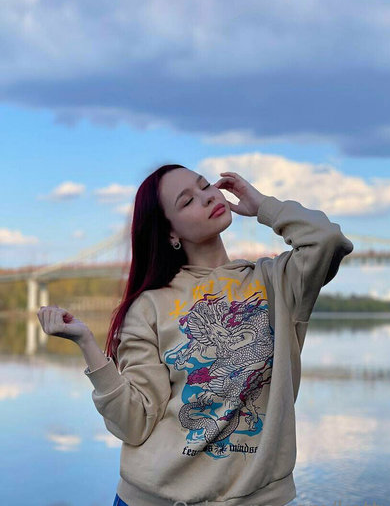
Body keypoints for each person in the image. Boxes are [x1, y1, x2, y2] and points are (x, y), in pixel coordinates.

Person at [37, 164, 354, 506]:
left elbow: (327, 239)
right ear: (170, 233)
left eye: (206, 186)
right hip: (154, 497)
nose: (206, 198)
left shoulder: (277, 281)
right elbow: (134, 423)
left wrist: (263, 205)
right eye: (187, 201)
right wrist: (87, 343)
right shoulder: (149, 306)